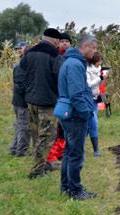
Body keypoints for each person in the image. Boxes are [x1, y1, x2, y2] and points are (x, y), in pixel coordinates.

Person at [20, 28, 64, 179]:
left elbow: (22, 69)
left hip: (31, 100)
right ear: (56, 41)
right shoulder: (54, 56)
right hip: (47, 102)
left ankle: (43, 163)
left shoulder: (29, 52)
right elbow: (60, 77)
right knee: (47, 136)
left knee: (36, 135)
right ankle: (37, 171)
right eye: (59, 41)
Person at [58, 34, 97, 200]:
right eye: (94, 48)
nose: (95, 52)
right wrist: (86, 113)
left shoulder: (72, 61)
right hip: (75, 116)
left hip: (69, 114)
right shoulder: (75, 65)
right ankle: (75, 190)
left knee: (68, 151)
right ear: (85, 46)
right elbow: (76, 94)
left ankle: (66, 186)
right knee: (76, 154)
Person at [46, 33, 71, 170]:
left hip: (65, 97)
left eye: (67, 41)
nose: (65, 43)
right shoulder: (54, 56)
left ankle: (62, 151)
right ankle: (53, 155)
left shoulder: (72, 58)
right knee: (57, 128)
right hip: (55, 97)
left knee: (64, 128)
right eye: (62, 41)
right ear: (58, 43)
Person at [10, 41, 31, 157]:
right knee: (24, 126)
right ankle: (22, 151)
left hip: (18, 100)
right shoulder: (22, 66)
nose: (18, 50)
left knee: (19, 125)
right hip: (22, 101)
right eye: (17, 49)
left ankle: (14, 148)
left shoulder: (21, 64)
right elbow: (20, 84)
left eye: (20, 48)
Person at [86, 52, 108, 155]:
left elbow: (100, 84)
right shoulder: (88, 70)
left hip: (95, 98)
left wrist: (103, 77)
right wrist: (100, 78)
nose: (101, 62)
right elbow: (89, 84)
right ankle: (96, 150)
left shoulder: (99, 69)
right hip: (88, 99)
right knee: (94, 123)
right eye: (99, 60)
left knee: (90, 123)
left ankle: (84, 146)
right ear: (94, 61)